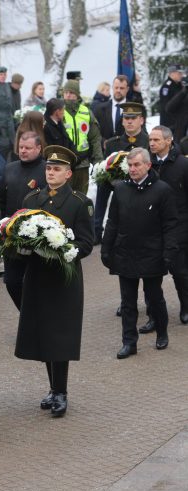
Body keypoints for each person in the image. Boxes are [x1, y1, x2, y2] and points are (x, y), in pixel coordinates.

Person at [16, 145, 94, 417]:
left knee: (60, 335)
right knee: (41, 333)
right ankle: (52, 387)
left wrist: (62, 250)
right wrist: (22, 246)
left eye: (57, 169)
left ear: (69, 173)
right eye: (48, 168)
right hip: (37, 275)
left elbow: (86, 242)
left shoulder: (79, 203)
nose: (51, 173)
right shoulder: (32, 199)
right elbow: (20, 233)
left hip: (63, 278)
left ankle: (61, 391)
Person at [101, 148, 178, 359]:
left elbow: (170, 224)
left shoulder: (163, 190)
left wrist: (169, 252)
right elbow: (113, 222)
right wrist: (106, 249)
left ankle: (162, 332)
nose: (132, 169)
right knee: (127, 302)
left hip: (152, 253)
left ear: (147, 165)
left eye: (136, 165)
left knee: (154, 299)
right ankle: (129, 342)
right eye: (130, 165)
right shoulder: (120, 190)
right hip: (125, 252)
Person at [0, 131, 47, 309]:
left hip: (37, 235)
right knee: (12, 282)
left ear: (39, 148)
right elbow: (2, 199)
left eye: (28, 148)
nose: (23, 151)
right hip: (12, 235)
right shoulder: (9, 168)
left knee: (37, 282)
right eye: (21, 147)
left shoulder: (46, 170)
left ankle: (37, 320)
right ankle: (27, 315)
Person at [94, 102, 149, 245]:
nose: (129, 121)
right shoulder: (112, 144)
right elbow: (106, 172)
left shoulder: (149, 143)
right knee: (102, 185)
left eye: (133, 118)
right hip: (118, 189)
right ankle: (97, 229)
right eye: (126, 118)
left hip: (143, 190)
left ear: (141, 120)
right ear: (122, 121)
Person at [150, 126, 188, 326]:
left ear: (168, 141)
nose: (152, 143)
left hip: (179, 226)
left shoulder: (182, 164)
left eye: (156, 140)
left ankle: (185, 305)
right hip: (152, 226)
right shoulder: (148, 163)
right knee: (150, 273)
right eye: (150, 140)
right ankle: (153, 315)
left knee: (180, 270)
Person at [62, 79, 103, 194]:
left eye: (71, 92)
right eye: (66, 92)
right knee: (64, 199)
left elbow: (95, 138)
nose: (68, 95)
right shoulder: (58, 111)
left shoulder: (86, 112)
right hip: (64, 164)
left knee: (81, 198)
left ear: (77, 94)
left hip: (83, 164)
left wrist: (98, 161)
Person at [94, 75, 129, 143]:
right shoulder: (100, 109)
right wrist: (103, 142)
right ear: (112, 88)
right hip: (105, 151)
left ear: (127, 89)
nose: (118, 90)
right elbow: (94, 132)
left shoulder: (134, 109)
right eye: (116, 87)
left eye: (121, 88)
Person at [159, 64, 184, 132]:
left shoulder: (180, 85)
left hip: (179, 121)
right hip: (169, 123)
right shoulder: (167, 87)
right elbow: (166, 107)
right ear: (171, 73)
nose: (181, 75)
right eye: (179, 73)